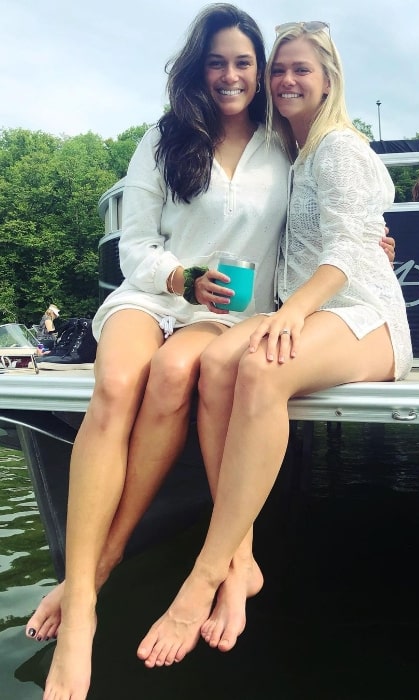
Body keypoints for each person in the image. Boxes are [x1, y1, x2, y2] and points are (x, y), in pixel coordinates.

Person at [26, 7, 396, 700]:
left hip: (224, 315)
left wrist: (370, 247)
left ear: (259, 73)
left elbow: (330, 218)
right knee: (117, 388)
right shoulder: (164, 140)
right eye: (217, 62)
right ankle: (82, 611)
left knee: (172, 376)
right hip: (155, 292)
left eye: (243, 62)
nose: (232, 74)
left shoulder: (284, 144)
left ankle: (100, 568)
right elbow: (133, 246)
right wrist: (178, 277)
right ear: (198, 69)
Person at [136, 20, 412, 669]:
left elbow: (350, 244)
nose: (286, 80)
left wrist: (292, 311)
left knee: (261, 367)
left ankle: (205, 573)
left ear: (327, 80)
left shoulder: (337, 146)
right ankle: (244, 560)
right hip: (311, 312)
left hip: (362, 316)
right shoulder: (285, 150)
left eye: (301, 70)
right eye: (279, 69)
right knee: (215, 361)